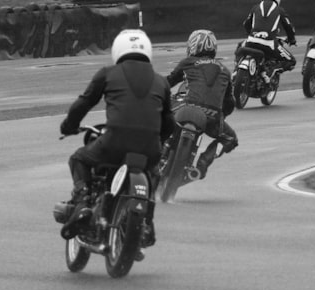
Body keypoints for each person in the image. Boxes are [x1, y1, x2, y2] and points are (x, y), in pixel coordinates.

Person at [55, 29, 175, 249]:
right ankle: (147, 222)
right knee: (153, 173)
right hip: (150, 149)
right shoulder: (162, 82)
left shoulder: (107, 73)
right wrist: (157, 140)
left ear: (117, 50)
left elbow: (84, 103)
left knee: (78, 159)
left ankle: (82, 201)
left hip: (114, 142)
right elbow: (170, 123)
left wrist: (68, 126)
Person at [165, 29, 238, 180]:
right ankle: (203, 162)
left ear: (193, 46)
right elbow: (230, 102)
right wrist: (221, 115)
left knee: (162, 118)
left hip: (187, 108)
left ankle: (161, 151)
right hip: (212, 117)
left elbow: (168, 82)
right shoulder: (225, 70)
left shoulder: (188, 63)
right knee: (231, 139)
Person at [236, 0, 297, 77]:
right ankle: (273, 70)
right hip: (269, 44)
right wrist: (292, 39)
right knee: (291, 61)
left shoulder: (255, 8)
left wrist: (252, 34)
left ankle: (236, 70)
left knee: (240, 47)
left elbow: (246, 24)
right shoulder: (279, 10)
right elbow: (289, 27)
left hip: (251, 41)